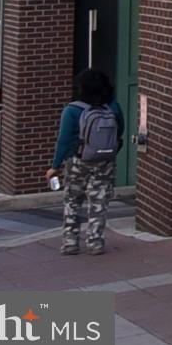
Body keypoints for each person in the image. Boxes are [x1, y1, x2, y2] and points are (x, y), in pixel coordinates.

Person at [47, 70, 124, 256]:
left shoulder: (72, 110)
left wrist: (55, 166)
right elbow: (119, 132)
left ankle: (70, 242)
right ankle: (95, 242)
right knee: (99, 201)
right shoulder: (112, 107)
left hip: (77, 160)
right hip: (104, 161)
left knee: (73, 201)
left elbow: (63, 140)